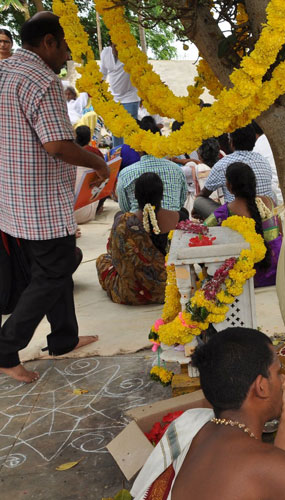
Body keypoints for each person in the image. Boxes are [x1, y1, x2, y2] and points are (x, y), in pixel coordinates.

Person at [0, 12, 109, 383]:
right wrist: (98, 162)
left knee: (53, 267)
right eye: (65, 48)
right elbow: (58, 146)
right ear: (48, 42)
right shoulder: (42, 80)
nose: (67, 57)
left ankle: (64, 338)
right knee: (52, 272)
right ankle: (5, 349)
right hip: (39, 200)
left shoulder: (5, 70)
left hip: (13, 194)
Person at [130, 328, 285, 500]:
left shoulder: (198, 427)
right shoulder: (268, 466)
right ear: (261, 387)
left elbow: (274, 476)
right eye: (278, 373)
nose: (284, 380)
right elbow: (274, 471)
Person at [97, 173, 187, 305]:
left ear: (135, 196)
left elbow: (114, 254)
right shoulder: (180, 217)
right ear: (162, 195)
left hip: (133, 291)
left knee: (102, 260)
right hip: (172, 286)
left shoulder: (124, 222)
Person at [204, 162, 282, 287]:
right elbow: (280, 232)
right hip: (279, 267)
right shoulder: (269, 201)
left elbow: (202, 231)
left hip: (251, 274)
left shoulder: (224, 212)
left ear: (229, 186)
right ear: (253, 182)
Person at [195, 124, 275, 219]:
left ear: (231, 142)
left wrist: (197, 208)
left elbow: (204, 194)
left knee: (199, 201)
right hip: (266, 213)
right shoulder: (264, 160)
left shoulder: (223, 164)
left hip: (236, 217)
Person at [115, 119, 188, 212]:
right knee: (183, 212)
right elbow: (181, 201)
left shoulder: (125, 173)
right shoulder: (177, 170)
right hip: (172, 217)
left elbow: (124, 208)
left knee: (119, 215)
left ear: (137, 146)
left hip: (138, 218)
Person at [99, 42, 139, 148]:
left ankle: (131, 156)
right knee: (116, 132)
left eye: (120, 46)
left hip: (130, 98)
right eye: (115, 46)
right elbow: (102, 75)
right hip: (113, 99)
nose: (117, 49)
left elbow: (140, 73)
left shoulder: (132, 53)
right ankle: (117, 155)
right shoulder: (105, 53)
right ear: (111, 45)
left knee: (130, 133)